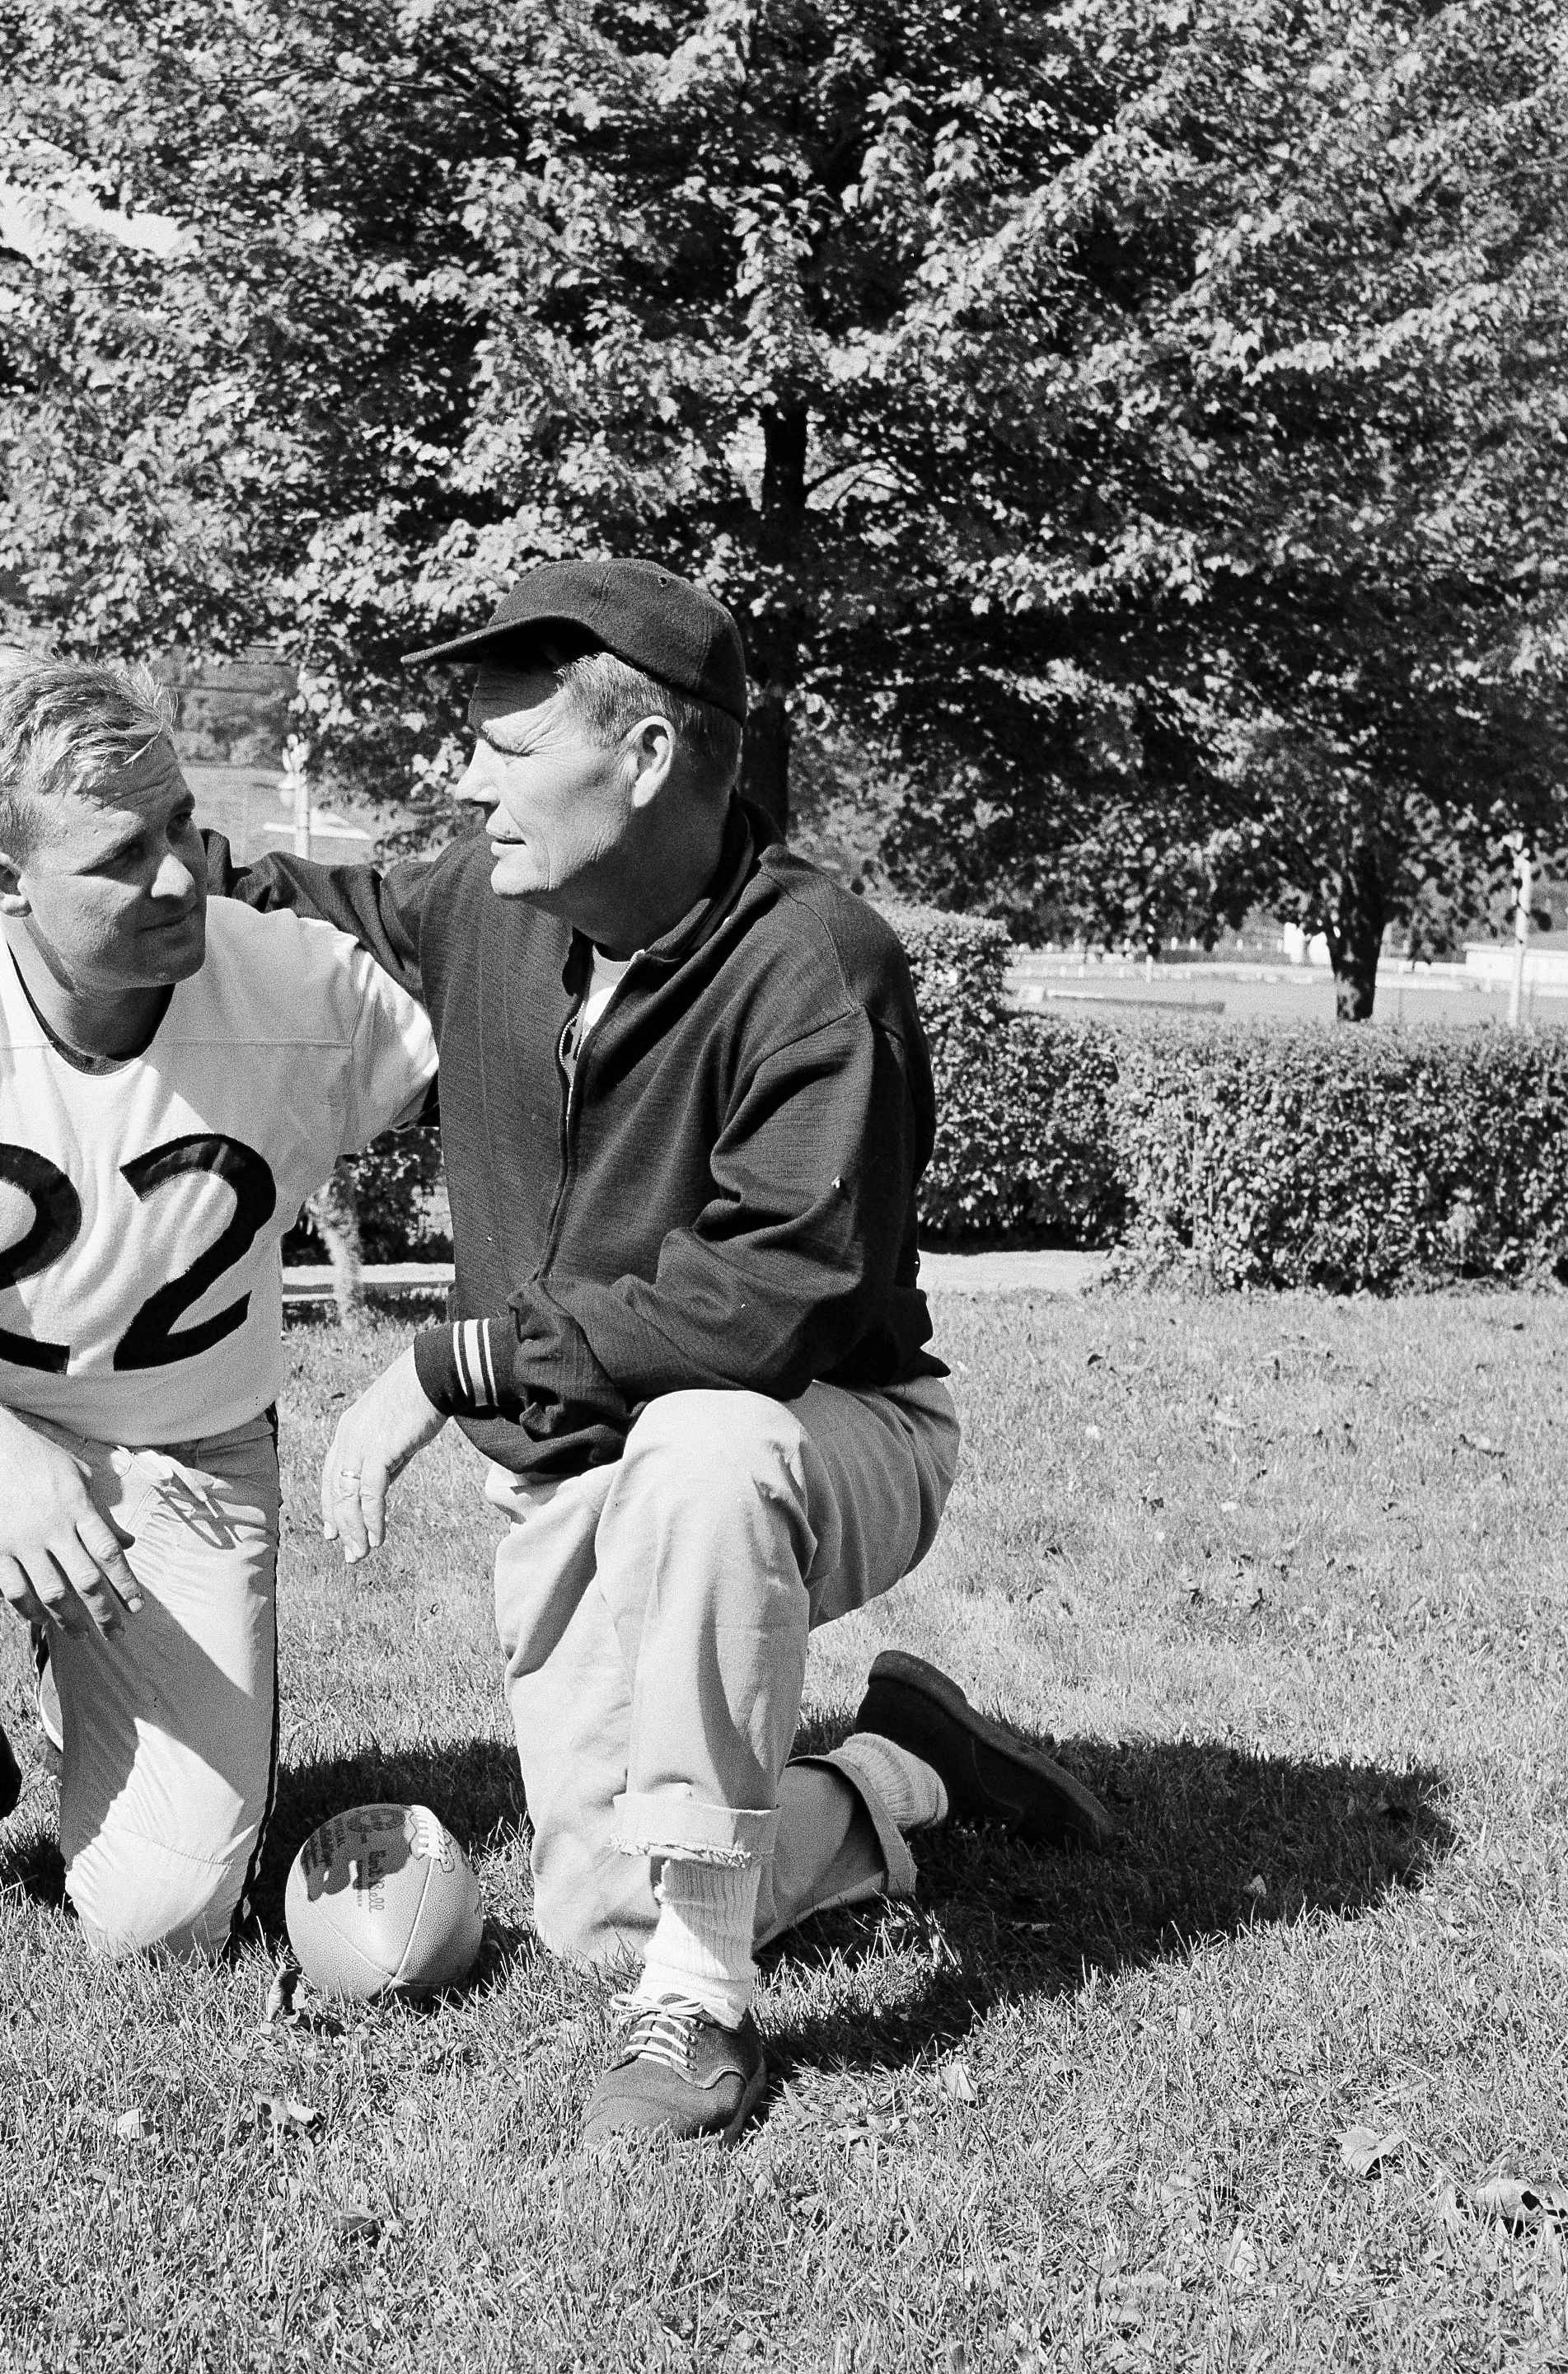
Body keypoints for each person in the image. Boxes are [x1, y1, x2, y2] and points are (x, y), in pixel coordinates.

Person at [232, 559, 1112, 2144]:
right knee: (594, 1918)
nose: (470, 781)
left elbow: (764, 1302)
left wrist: (449, 1366)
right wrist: (144, 852)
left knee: (702, 1447)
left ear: (642, 760)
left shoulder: (822, 970)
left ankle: (701, 1998)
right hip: (576, 1465)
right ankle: (898, 1774)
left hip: (824, 1426)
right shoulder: (489, 902)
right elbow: (319, 903)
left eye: (508, 749)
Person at [0, 654, 436, 1959]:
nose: (176, 878)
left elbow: (526, 1063)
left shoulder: (301, 983)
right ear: (3, 886)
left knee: (158, 1928)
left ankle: (85, 1665)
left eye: (180, 827)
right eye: (120, 856)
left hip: (184, 1452)